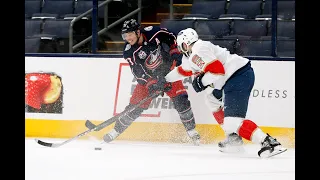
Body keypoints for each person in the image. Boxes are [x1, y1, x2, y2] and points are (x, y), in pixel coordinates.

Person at [165, 28, 287, 158]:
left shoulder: (198, 51)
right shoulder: (193, 53)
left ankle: (269, 142)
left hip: (238, 77)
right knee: (211, 99)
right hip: (232, 77)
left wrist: (202, 81)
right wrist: (165, 80)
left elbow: (217, 71)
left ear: (184, 44)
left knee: (233, 122)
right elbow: (184, 70)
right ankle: (233, 139)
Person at [102, 19, 201, 145]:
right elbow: (138, 74)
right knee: (134, 108)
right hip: (150, 79)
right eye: (125, 36)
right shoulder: (129, 51)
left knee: (181, 101)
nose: (128, 38)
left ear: (138, 32)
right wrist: (152, 83)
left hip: (169, 72)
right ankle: (115, 131)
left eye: (130, 34)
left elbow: (172, 38)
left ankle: (192, 131)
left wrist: (175, 54)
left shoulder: (153, 32)